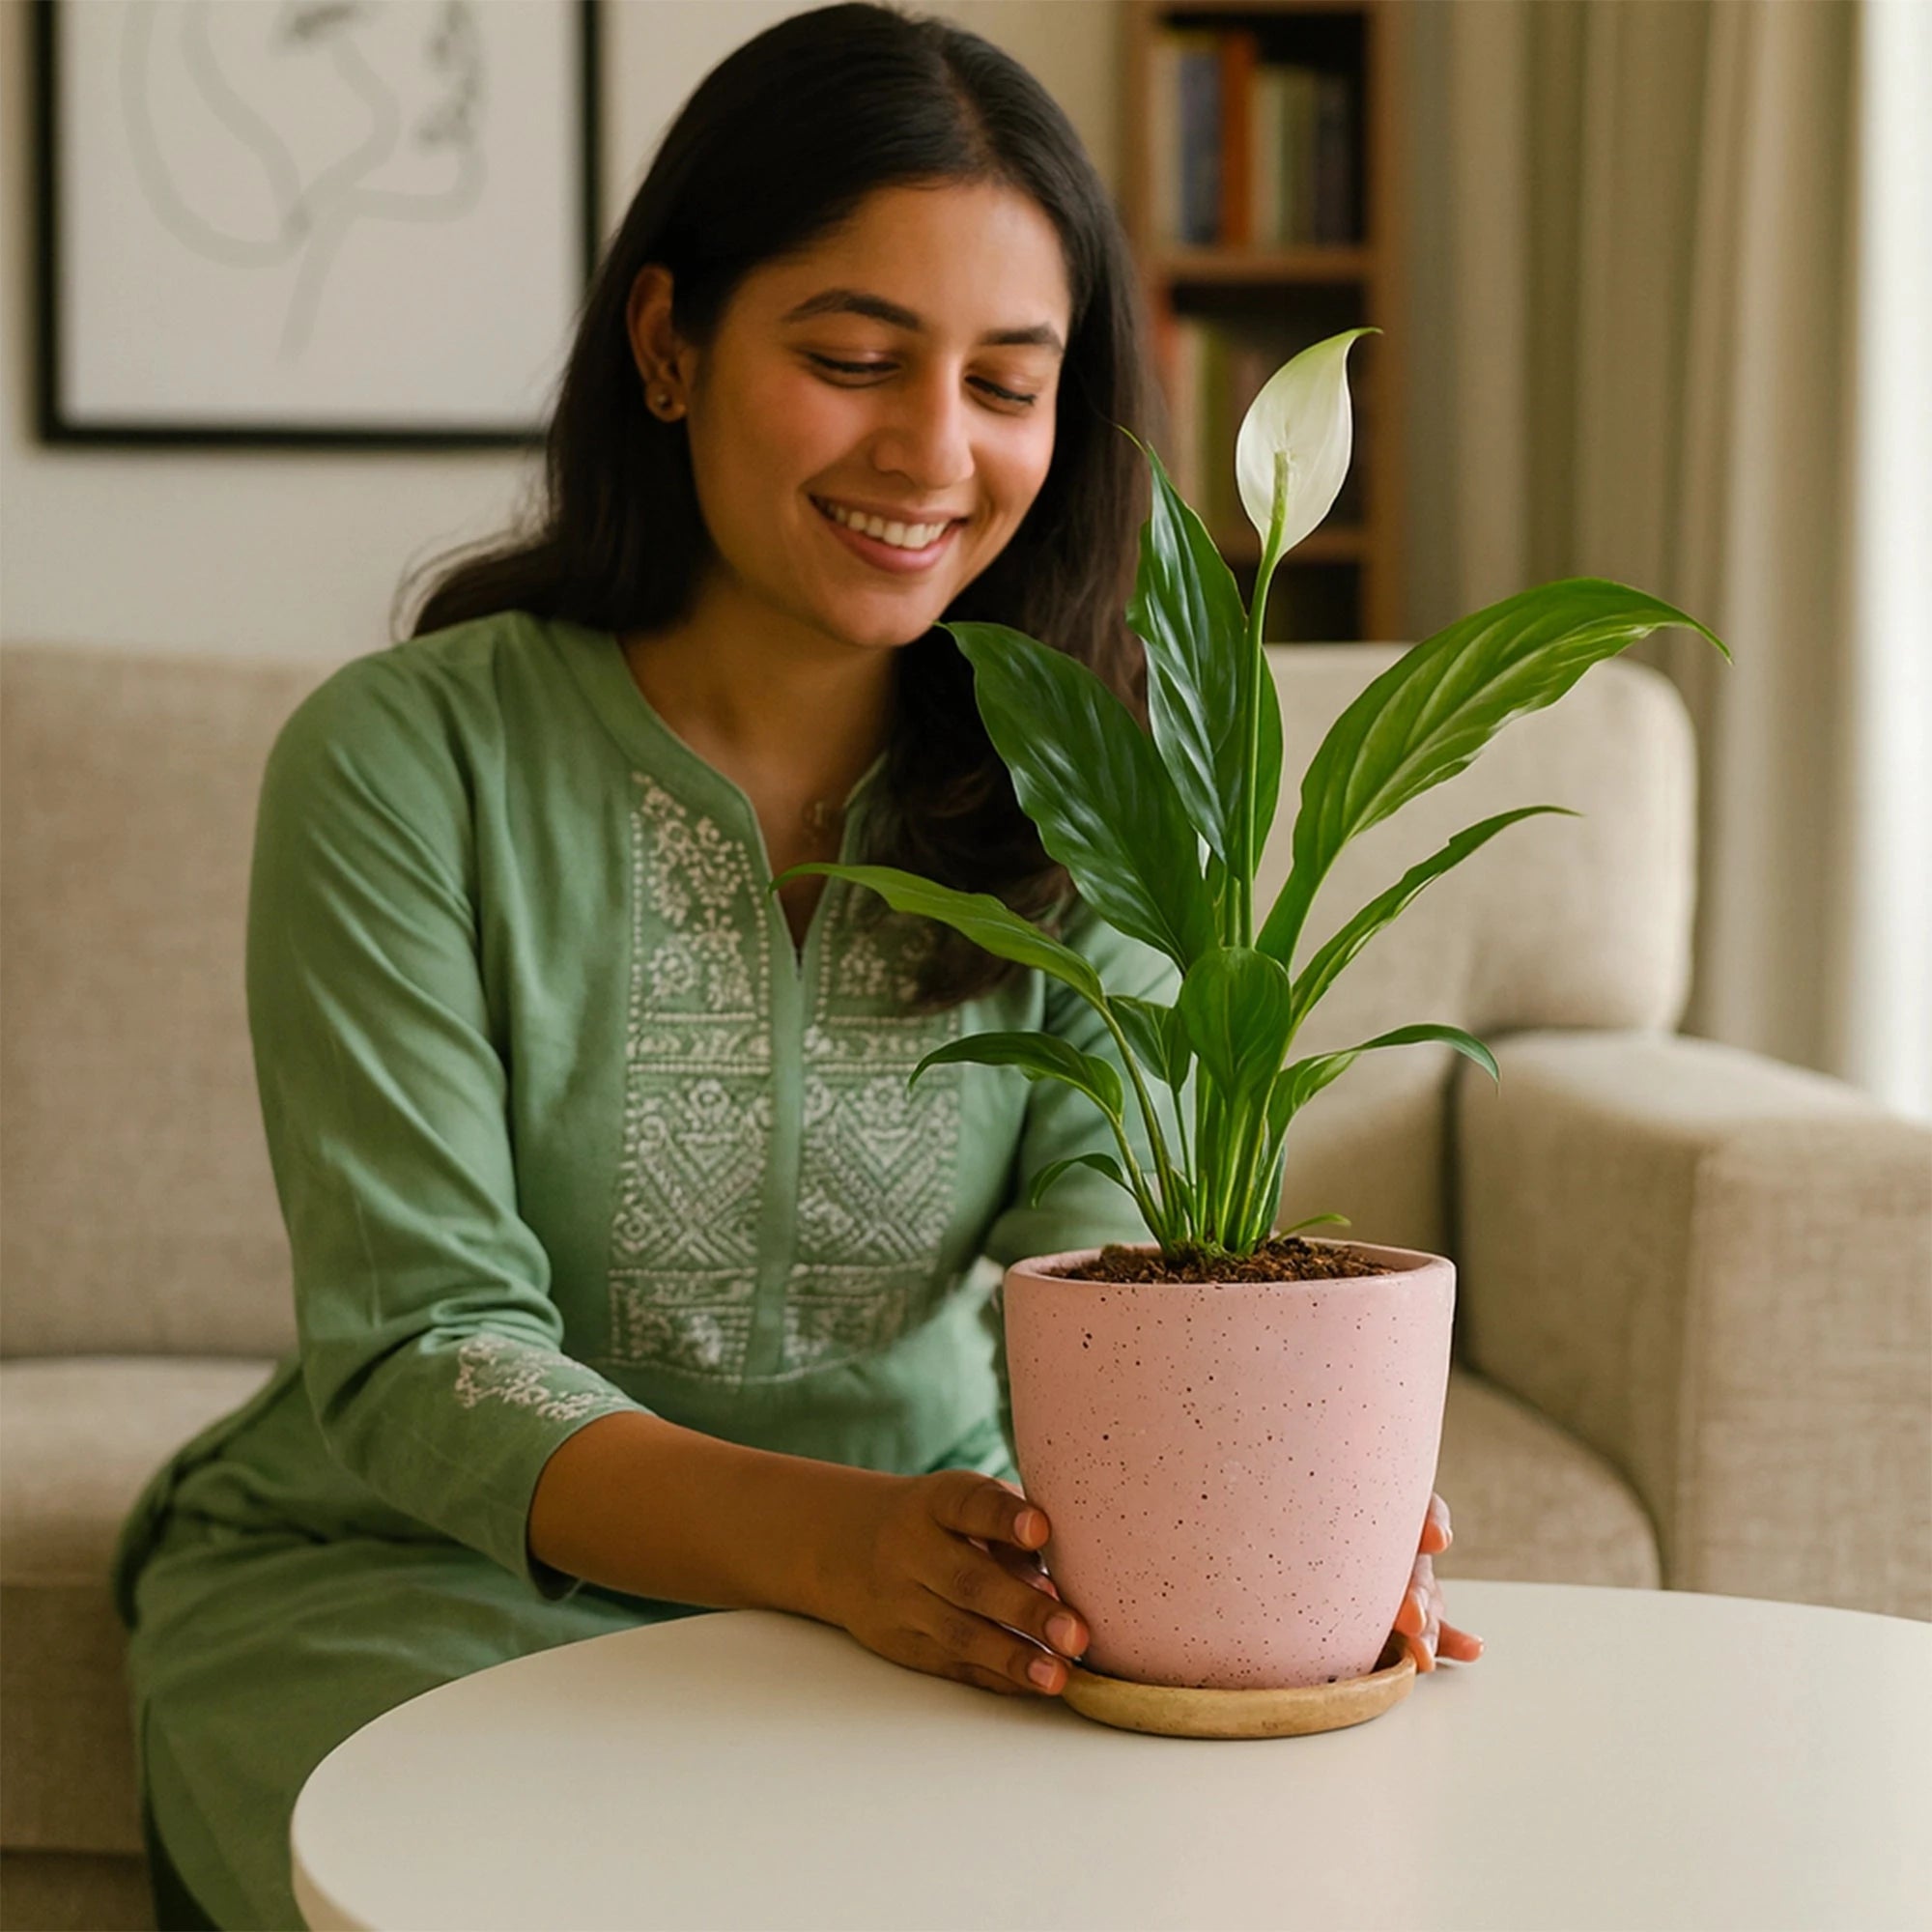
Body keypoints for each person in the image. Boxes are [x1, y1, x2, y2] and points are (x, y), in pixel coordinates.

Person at [109, 7, 1477, 1926]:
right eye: (851, 359)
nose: (932, 451)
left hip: (964, 1573)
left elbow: (1119, 1236)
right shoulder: (401, 760)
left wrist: (1263, 1509)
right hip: (416, 1572)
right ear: (668, 346)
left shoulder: (1100, 788)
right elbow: (425, 1355)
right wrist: (836, 1549)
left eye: (1010, 386)